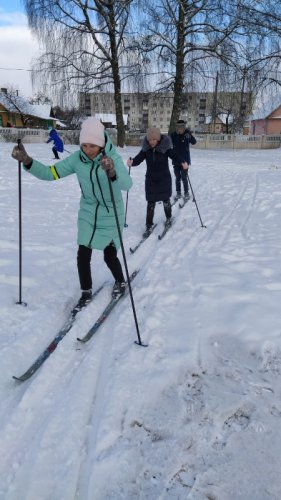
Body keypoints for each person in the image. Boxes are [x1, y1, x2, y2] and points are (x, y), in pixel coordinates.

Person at [11, 117, 133, 312]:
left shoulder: (112, 157)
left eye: (92, 145)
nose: (88, 149)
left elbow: (127, 185)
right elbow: (51, 173)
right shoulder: (78, 159)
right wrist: (28, 161)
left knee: (110, 255)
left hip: (111, 212)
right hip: (87, 211)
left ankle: (121, 282)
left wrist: (112, 171)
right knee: (82, 253)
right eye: (84, 145)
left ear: (101, 144)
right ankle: (86, 292)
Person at [127, 127, 188, 235]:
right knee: (150, 202)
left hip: (164, 179)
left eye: (154, 139)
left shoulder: (165, 148)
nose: (152, 142)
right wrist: (132, 162)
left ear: (158, 139)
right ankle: (149, 225)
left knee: (166, 200)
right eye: (150, 140)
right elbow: (138, 159)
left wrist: (183, 162)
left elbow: (175, 155)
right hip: (151, 179)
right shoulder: (146, 150)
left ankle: (169, 218)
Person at [170, 119, 197, 200]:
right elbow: (167, 143)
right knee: (177, 177)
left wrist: (190, 136)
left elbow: (194, 142)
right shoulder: (173, 135)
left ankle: (186, 192)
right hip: (176, 160)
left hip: (185, 161)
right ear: (177, 128)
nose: (180, 129)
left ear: (184, 128)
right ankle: (178, 192)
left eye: (181, 128)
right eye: (178, 128)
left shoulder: (187, 134)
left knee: (184, 177)